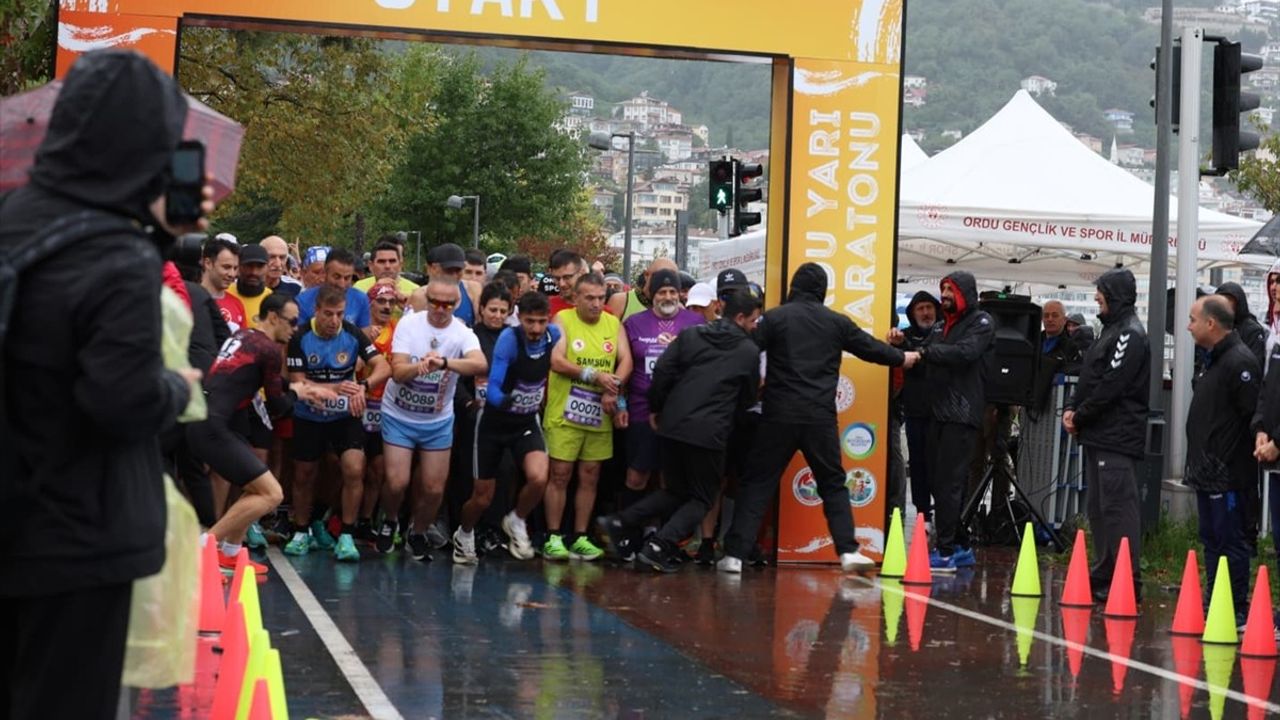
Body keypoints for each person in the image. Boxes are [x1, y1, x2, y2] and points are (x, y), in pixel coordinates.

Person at [0, 49, 206, 719]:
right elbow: (122, 402)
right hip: (80, 533)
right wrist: (175, 385)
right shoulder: (117, 256)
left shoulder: (15, 219)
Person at [721, 263, 917, 573]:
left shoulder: (775, 318)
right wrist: (903, 357)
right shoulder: (835, 322)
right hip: (819, 418)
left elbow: (746, 350)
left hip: (777, 415)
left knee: (758, 483)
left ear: (794, 287)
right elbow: (869, 349)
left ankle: (734, 556)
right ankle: (848, 550)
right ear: (821, 290)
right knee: (832, 483)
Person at [600, 290, 763, 572]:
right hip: (709, 431)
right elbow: (748, 397)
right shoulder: (748, 351)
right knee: (702, 497)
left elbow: (662, 369)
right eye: (753, 320)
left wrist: (657, 408)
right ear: (739, 317)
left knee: (675, 490)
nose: (755, 326)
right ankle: (659, 544)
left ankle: (619, 521)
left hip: (672, 424)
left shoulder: (691, 335)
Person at [190, 295, 335, 565]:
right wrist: (298, 394)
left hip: (207, 420)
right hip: (212, 425)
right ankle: (204, 547)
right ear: (273, 318)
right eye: (292, 322)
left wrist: (297, 389)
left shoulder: (246, 336)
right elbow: (278, 405)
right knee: (273, 493)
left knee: (257, 487)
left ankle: (231, 551)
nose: (295, 328)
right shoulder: (268, 349)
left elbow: (255, 378)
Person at [376, 277, 487, 560]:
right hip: (399, 413)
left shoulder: (461, 332)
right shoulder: (410, 325)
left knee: (434, 488)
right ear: (427, 301)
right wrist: (420, 367)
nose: (440, 309)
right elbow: (398, 372)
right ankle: (390, 520)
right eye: (435, 302)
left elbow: (480, 363)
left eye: (448, 304)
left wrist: (445, 363)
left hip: (436, 420)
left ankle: (418, 531)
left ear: (456, 304)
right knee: (397, 481)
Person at [1063, 268, 1150, 604]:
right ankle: (1105, 570)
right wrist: (1073, 408)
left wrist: (1079, 414)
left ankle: (1126, 578)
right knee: (1099, 507)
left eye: (1101, 292)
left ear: (1115, 295)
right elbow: (1090, 377)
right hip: (1099, 433)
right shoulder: (1111, 330)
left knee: (1117, 507)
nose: (1096, 297)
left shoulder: (1129, 334)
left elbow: (1111, 385)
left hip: (1115, 435)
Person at [284, 285, 390, 561]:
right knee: (304, 474)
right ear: (316, 311)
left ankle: (346, 535)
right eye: (328, 314)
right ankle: (301, 531)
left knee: (354, 468)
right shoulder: (301, 336)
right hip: (309, 415)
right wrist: (337, 386)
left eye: (339, 314)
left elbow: (384, 367)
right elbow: (297, 381)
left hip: (345, 416)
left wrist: (363, 387)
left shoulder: (352, 334)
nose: (334, 321)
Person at [455, 291, 560, 563]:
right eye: (529, 322)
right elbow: (493, 388)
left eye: (541, 321)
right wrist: (506, 400)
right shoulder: (509, 341)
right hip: (494, 424)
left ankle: (517, 519)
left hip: (525, 421)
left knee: (539, 477)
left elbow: (556, 360)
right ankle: (464, 534)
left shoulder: (555, 335)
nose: (536, 329)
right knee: (482, 498)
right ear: (519, 319)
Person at [908, 271, 994, 572]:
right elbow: (922, 360)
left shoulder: (981, 323)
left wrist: (925, 352)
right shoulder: (941, 327)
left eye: (950, 289)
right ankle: (959, 545)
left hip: (962, 415)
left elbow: (965, 353)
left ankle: (944, 552)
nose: (944, 294)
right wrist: (899, 347)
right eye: (942, 288)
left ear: (965, 293)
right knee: (935, 482)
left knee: (949, 483)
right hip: (937, 414)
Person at [544, 273, 633, 561]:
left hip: (599, 413)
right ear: (576, 298)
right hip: (564, 411)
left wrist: (613, 391)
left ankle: (581, 535)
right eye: (590, 298)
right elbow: (556, 361)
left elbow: (626, 361)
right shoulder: (563, 320)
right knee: (560, 474)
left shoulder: (613, 323)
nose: (596, 304)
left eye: (600, 298)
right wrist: (593, 375)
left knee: (590, 475)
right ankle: (553, 535)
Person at [1185, 295, 1260, 625]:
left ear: (1211, 324)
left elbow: (1251, 415)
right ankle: (1216, 602)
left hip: (1229, 473)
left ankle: (1237, 609)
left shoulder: (1239, 361)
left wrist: (1227, 459)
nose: (1188, 326)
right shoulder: (1211, 359)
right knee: (1212, 540)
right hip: (1207, 470)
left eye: (1192, 319)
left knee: (1231, 541)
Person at [618, 269, 704, 516]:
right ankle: (629, 535)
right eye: (661, 292)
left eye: (672, 291)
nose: (667, 297)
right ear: (652, 295)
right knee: (637, 476)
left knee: (671, 478)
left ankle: (664, 541)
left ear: (680, 294)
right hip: (641, 410)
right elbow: (624, 366)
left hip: (679, 413)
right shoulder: (633, 323)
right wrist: (621, 404)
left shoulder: (696, 323)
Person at [359, 282, 400, 540]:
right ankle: (337, 516)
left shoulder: (399, 331)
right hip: (360, 403)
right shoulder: (359, 329)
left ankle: (367, 519)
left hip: (386, 407)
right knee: (353, 467)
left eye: (391, 302)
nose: (386, 307)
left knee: (378, 469)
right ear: (370, 303)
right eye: (381, 301)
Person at [900, 291, 939, 530]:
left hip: (943, 412)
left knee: (942, 465)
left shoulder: (945, 334)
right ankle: (923, 513)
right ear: (913, 314)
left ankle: (944, 511)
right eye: (920, 309)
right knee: (918, 464)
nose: (925, 313)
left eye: (929, 307)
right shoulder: (904, 337)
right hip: (915, 412)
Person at [1255, 260, 1280, 567]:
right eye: (1272, 281)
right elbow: (1267, 387)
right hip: (1272, 451)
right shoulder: (1272, 332)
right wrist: (1261, 428)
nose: (1275, 287)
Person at [296, 248, 371, 328]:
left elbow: (363, 337)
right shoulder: (302, 301)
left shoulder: (361, 300)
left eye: (347, 278)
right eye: (336, 277)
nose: (342, 284)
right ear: (325, 273)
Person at [1216, 281, 1268, 374]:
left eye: (1229, 300)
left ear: (1238, 302)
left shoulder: (1252, 330)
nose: (1224, 304)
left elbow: (1254, 366)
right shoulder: (1215, 325)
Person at [609, 257, 679, 319]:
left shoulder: (678, 307)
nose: (665, 280)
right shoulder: (621, 301)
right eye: (659, 275)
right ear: (646, 275)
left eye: (672, 276)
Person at [202, 236, 247, 332]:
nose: (232, 274)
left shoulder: (237, 304)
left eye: (235, 268)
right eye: (226, 267)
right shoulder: (189, 298)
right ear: (208, 263)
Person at [355, 237, 420, 297]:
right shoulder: (359, 288)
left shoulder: (415, 291)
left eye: (392, 261)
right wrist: (373, 291)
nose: (387, 266)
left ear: (400, 265)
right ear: (371, 266)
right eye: (381, 261)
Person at [228, 243, 272, 327]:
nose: (254, 272)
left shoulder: (272, 301)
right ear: (239, 266)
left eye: (259, 267)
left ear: (267, 268)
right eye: (249, 266)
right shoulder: (223, 294)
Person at [547, 249, 587, 317]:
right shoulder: (546, 308)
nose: (562, 284)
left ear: (581, 274)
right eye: (557, 278)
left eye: (567, 277)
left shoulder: (599, 309)